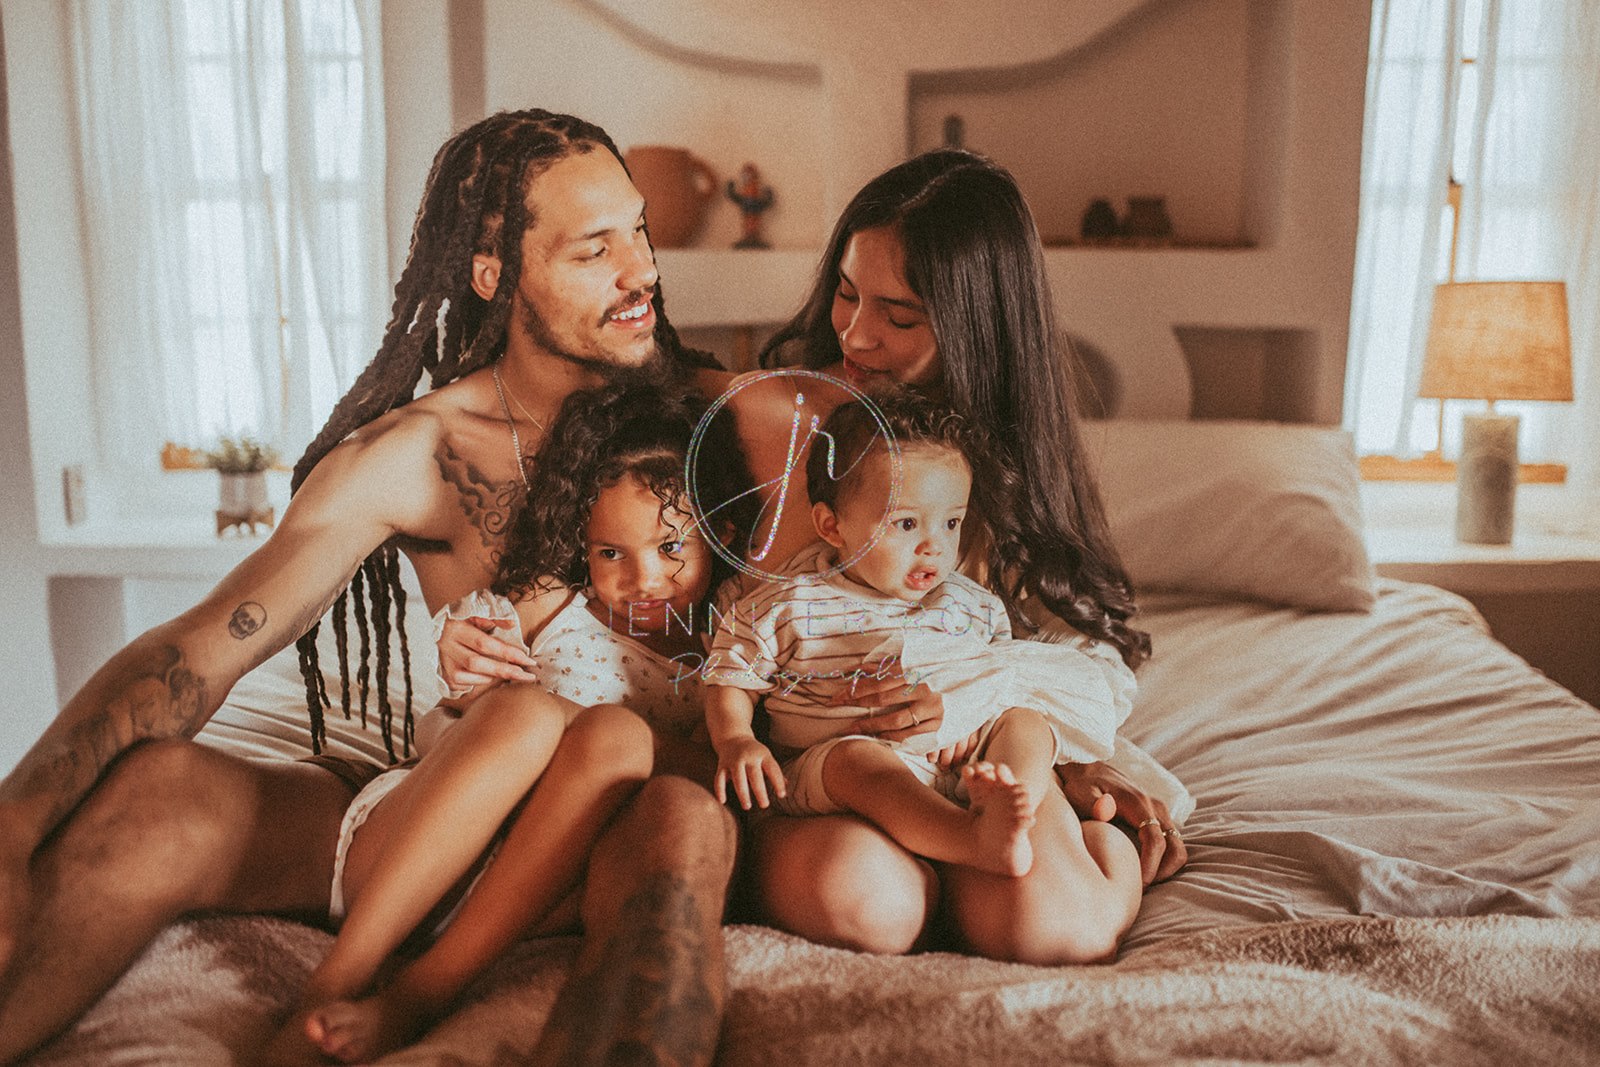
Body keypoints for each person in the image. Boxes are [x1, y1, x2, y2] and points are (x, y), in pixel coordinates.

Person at [0, 109, 739, 1066]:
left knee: (669, 809)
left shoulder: (716, 413)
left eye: (638, 229)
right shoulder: (418, 455)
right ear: (493, 272)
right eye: (596, 248)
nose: (642, 270)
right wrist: (14, 823)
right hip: (454, 812)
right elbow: (200, 649)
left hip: (623, 807)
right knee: (162, 790)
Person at [722, 148, 1191, 966]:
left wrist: (1082, 767)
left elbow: (1075, 654)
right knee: (865, 904)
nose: (857, 333)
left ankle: (1051, 871)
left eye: (900, 317)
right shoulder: (789, 415)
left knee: (1053, 932)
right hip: (835, 764)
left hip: (972, 763)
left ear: (980, 326)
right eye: (845, 292)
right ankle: (935, 880)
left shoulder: (1012, 463)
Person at [267, 383, 758, 1064]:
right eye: (610, 552)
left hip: (537, 888)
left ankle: (419, 994)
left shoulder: (725, 657)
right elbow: (446, 718)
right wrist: (463, 657)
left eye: (671, 546)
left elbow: (721, 779)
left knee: (617, 737)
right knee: (529, 711)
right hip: (432, 842)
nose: (643, 578)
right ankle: (333, 980)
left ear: (720, 533)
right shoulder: (553, 604)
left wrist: (603, 732)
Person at [706, 395, 1148, 920]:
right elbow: (729, 675)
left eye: (952, 524)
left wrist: (974, 713)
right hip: (837, 764)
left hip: (958, 766)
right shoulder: (791, 602)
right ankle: (972, 840)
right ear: (832, 526)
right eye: (907, 525)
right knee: (857, 762)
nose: (934, 548)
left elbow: (997, 676)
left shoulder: (970, 604)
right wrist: (736, 739)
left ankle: (1009, 814)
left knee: (1026, 721)